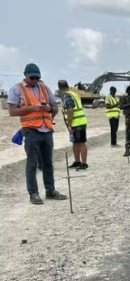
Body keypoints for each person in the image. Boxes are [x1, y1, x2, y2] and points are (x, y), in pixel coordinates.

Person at [7, 63, 67, 204]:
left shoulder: (44, 87)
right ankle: (33, 193)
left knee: (48, 163)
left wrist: (49, 108)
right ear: (25, 75)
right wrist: (32, 108)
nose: (35, 80)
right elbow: (12, 111)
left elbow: (55, 107)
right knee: (32, 164)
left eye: (37, 77)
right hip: (31, 131)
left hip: (46, 130)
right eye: (32, 77)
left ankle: (50, 191)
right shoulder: (17, 89)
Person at [59, 80, 89, 170]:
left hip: (77, 123)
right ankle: (77, 162)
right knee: (75, 142)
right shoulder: (73, 93)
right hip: (79, 121)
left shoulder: (66, 95)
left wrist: (70, 125)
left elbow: (70, 110)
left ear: (60, 88)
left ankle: (84, 163)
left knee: (80, 143)